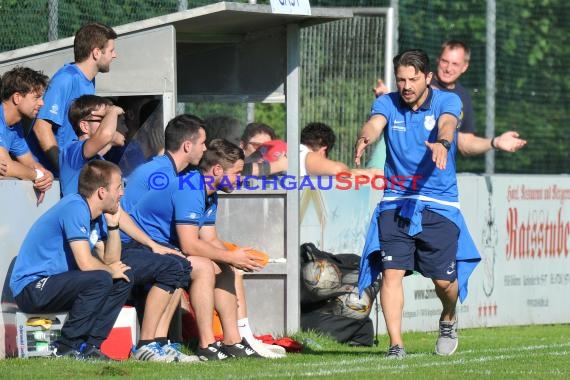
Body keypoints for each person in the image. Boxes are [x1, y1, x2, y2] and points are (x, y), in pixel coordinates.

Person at [355, 49, 480, 358]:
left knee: (444, 281)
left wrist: (442, 143)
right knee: (392, 272)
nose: (407, 85)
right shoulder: (387, 103)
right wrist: (365, 136)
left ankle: (448, 318)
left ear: (428, 78)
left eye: (413, 79)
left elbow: (448, 124)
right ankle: (396, 345)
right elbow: (374, 123)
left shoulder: (447, 101)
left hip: (438, 202)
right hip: (396, 200)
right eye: (401, 80)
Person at [59, 96, 194, 362]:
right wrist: (114, 109)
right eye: (108, 119)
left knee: (177, 262)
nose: (119, 125)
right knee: (159, 269)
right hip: (88, 249)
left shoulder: (101, 160)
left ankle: (160, 342)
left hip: (108, 244)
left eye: (118, 120)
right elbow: (106, 134)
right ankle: (145, 344)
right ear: (85, 127)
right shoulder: (74, 152)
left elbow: (121, 214)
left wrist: (156, 246)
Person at [128, 138, 270, 360]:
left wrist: (236, 258)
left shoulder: (210, 193)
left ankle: (233, 340)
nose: (240, 179)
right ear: (217, 169)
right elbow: (190, 244)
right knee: (203, 266)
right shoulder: (191, 187)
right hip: (139, 248)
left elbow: (210, 239)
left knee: (225, 265)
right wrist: (230, 255)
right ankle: (206, 343)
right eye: (237, 173)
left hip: (164, 249)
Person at [9, 160, 132, 360]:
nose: (122, 193)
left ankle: (91, 347)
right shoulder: (75, 207)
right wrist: (110, 270)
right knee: (101, 278)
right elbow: (86, 263)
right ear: (102, 192)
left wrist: (113, 226)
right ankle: (66, 347)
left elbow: (110, 260)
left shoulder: (97, 215)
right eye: (119, 187)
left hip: (59, 284)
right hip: (32, 288)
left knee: (124, 278)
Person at [367, 40, 526, 167]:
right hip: (393, 165)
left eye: (455, 64)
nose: (448, 68)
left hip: (428, 178)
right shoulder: (419, 81)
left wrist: (495, 142)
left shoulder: (461, 97)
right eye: (445, 61)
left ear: (465, 67)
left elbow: (464, 142)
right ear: (438, 60)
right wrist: (386, 97)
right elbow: (395, 104)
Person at [29, 22, 119, 174]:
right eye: (111, 50)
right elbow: (41, 127)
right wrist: (64, 169)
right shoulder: (65, 79)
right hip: (48, 177)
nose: (115, 55)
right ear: (97, 53)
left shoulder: (89, 81)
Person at [0, 67, 54, 204]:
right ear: (17, 97)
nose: (42, 103)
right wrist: (36, 175)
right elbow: (6, 168)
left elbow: (30, 163)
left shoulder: (15, 127)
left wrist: (46, 176)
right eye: (36, 97)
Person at [300, 122, 381, 178]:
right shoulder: (304, 154)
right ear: (323, 151)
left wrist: (355, 171)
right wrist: (363, 174)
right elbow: (338, 170)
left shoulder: (294, 153)